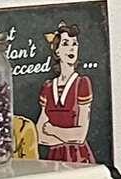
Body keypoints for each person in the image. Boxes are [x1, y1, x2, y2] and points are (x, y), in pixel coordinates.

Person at [35, 21, 97, 162]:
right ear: (57, 51)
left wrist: (52, 130)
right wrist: (68, 136)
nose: (71, 49)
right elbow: (40, 135)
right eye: (65, 44)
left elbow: (80, 136)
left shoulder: (82, 84)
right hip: (54, 159)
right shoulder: (48, 87)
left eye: (74, 44)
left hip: (78, 158)